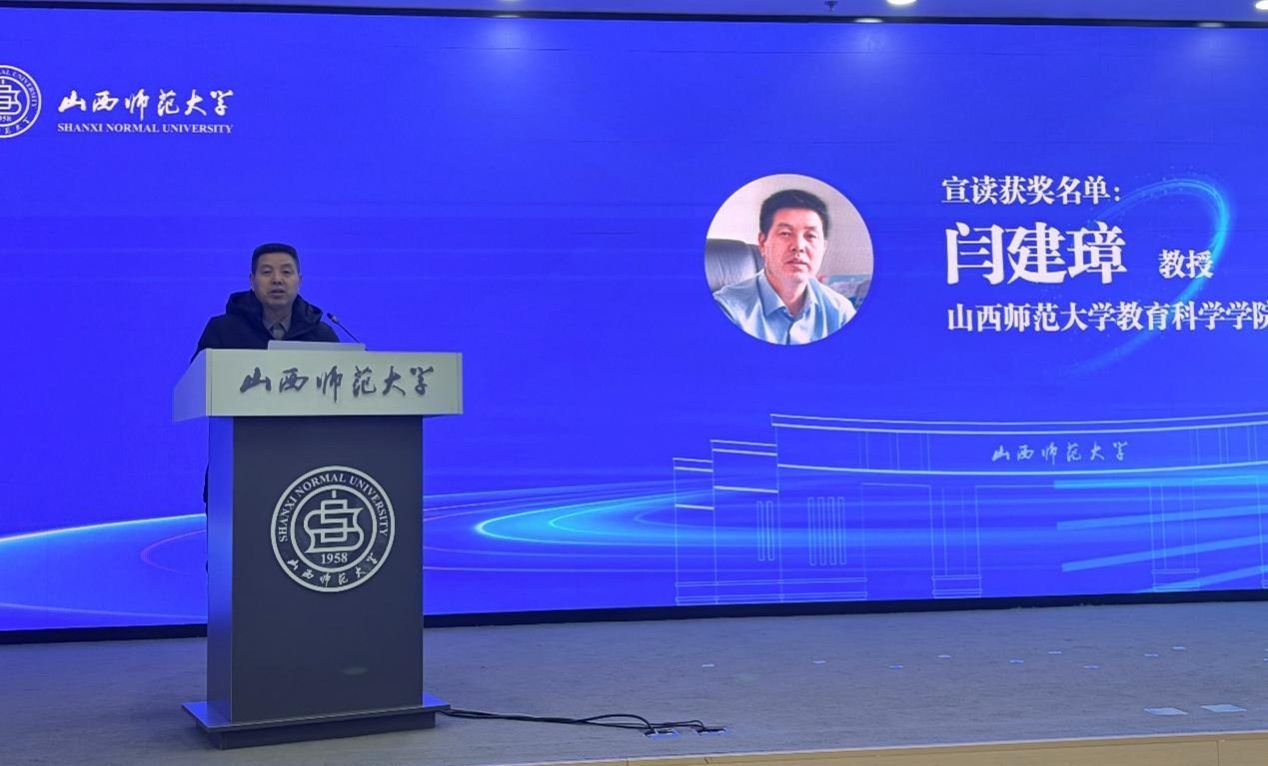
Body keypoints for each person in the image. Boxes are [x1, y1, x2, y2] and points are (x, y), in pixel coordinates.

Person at [713, 189, 856, 345]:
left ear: (824, 248)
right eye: (786, 233)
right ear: (763, 243)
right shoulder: (726, 311)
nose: (799, 246)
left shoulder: (840, 313)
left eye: (810, 236)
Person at [196, 242, 339, 352]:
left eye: (286, 272)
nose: (277, 279)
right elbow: (198, 379)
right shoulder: (221, 331)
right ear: (252, 281)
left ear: (300, 282)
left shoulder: (322, 337)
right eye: (266, 272)